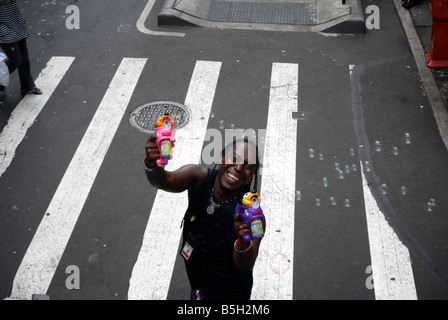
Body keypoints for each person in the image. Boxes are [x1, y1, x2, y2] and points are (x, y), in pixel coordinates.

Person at [144, 135, 265, 300]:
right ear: (221, 157)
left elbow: (245, 266)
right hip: (198, 285)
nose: (238, 167)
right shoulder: (198, 177)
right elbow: (163, 181)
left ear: (251, 175)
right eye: (234, 158)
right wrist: (152, 164)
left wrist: (242, 240)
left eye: (247, 166)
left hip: (229, 295)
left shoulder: (249, 215)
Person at [0, 0, 41, 94]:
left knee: (24, 59)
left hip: (17, 27)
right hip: (5, 32)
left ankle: (28, 87)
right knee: (16, 60)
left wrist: (20, 20)